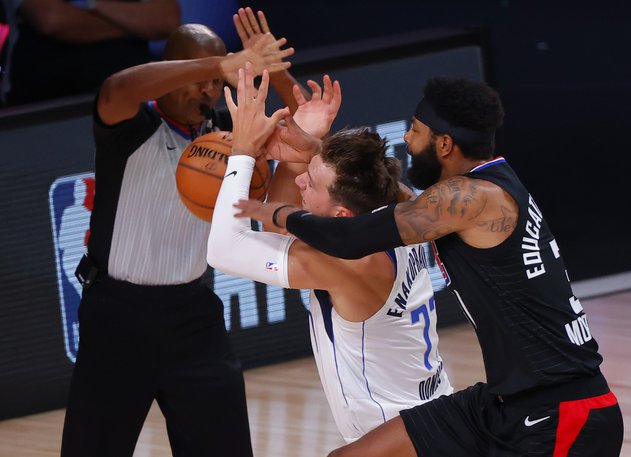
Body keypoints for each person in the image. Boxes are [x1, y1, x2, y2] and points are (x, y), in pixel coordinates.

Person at [235, 76, 624, 456]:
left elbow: (350, 237)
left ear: (444, 143)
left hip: (561, 413)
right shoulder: (486, 185)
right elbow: (390, 196)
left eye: (416, 131)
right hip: (507, 403)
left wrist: (276, 214)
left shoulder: (472, 198)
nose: (406, 139)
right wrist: (318, 152)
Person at [60, 9, 301, 456]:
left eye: (216, 83)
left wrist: (277, 74)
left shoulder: (229, 134)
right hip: (118, 316)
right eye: (198, 77)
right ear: (172, 69)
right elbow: (118, 87)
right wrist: (220, 64)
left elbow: (308, 131)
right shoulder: (130, 128)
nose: (208, 90)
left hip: (193, 316)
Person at [206, 64, 453, 443]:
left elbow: (224, 248)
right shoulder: (405, 211)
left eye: (312, 180)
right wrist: (305, 145)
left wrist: (241, 152)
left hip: (402, 438)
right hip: (435, 416)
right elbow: (280, 226)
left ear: (341, 216)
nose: (301, 178)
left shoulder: (346, 261)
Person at [4, 0, 179, 105]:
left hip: (129, 102)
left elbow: (166, 20)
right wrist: (136, 24)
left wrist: (89, 4)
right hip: (43, 111)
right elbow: (51, 20)